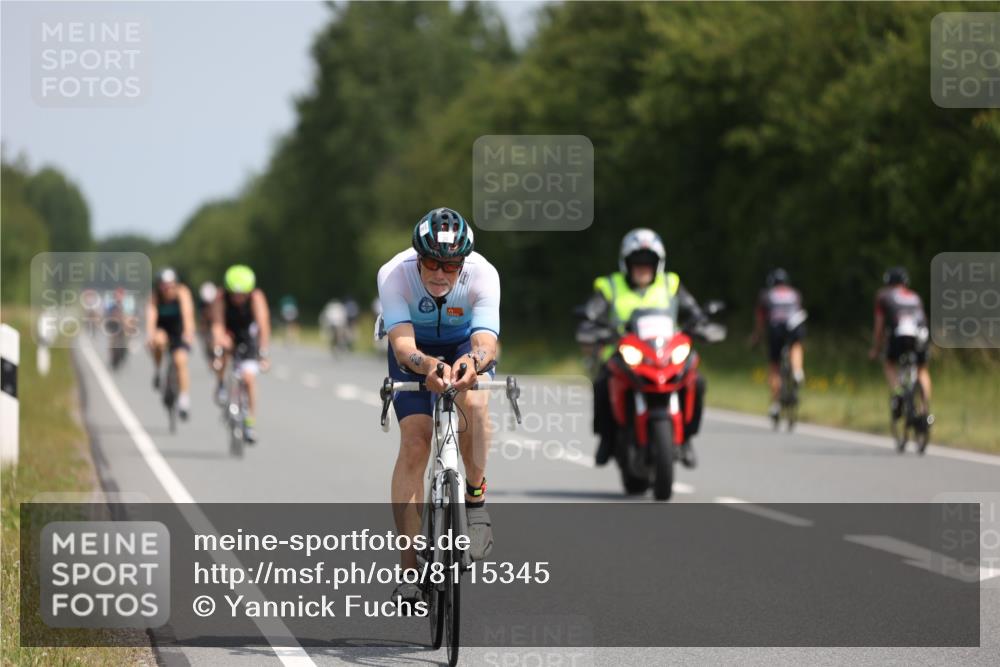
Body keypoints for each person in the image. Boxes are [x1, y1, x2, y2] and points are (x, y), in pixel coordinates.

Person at [377, 207, 499, 603]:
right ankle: (410, 569)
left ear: (463, 262)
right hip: (416, 350)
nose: (440, 273)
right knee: (415, 441)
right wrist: (427, 366)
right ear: (418, 256)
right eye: (431, 261)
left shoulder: (483, 274)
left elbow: (486, 343)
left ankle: (475, 500)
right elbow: (402, 345)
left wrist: (473, 363)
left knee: (477, 407)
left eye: (450, 265)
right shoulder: (395, 274)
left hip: (464, 345)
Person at [581, 228, 708, 468]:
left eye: (648, 262)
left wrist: (700, 321)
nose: (642, 267)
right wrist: (592, 323)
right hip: (622, 353)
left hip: (666, 353)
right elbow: (592, 311)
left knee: (697, 381)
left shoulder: (671, 283)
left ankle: (687, 437)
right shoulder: (610, 285)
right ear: (626, 263)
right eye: (636, 262)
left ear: (658, 264)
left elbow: (694, 310)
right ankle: (606, 439)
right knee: (601, 383)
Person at [211, 265, 271, 443]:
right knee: (222, 352)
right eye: (234, 294)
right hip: (229, 333)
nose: (238, 298)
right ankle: (221, 383)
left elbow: (263, 325)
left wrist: (264, 353)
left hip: (248, 335)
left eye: (242, 294)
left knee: (249, 378)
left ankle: (250, 423)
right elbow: (217, 324)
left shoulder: (256, 298)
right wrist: (219, 343)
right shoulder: (221, 298)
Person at [869, 266, 932, 422]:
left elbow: (879, 327)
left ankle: (898, 392)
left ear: (888, 282)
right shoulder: (915, 296)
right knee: (922, 370)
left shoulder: (883, 296)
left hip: (899, 334)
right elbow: (923, 319)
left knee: (889, 363)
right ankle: (925, 410)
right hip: (920, 334)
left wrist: (876, 349)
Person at [749, 268, 806, 420]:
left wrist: (757, 337)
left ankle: (775, 405)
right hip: (794, 324)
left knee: (774, 366)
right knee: (796, 345)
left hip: (776, 328)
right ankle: (797, 371)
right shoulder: (794, 293)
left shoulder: (766, 295)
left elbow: (760, 320)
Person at [145, 268, 196, 419]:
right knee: (158, 341)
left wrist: (188, 333)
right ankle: (158, 369)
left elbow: (188, 315)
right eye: (163, 286)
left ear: (175, 284)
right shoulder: (155, 297)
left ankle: (184, 399)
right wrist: (150, 335)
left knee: (181, 361)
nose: (167, 289)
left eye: (170, 285)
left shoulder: (182, 293)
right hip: (163, 329)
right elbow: (151, 317)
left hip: (179, 330)